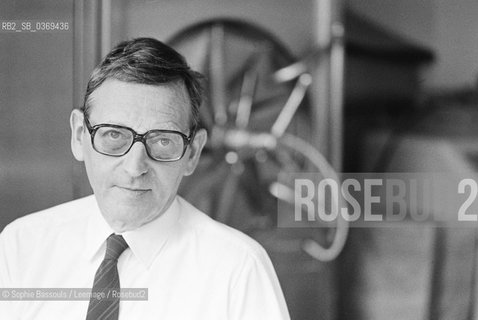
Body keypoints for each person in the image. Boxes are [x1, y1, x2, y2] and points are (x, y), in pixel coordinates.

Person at [0, 37, 290, 319]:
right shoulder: (21, 246)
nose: (135, 166)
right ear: (79, 136)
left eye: (163, 141)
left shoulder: (238, 270)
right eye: (114, 135)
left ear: (192, 153)